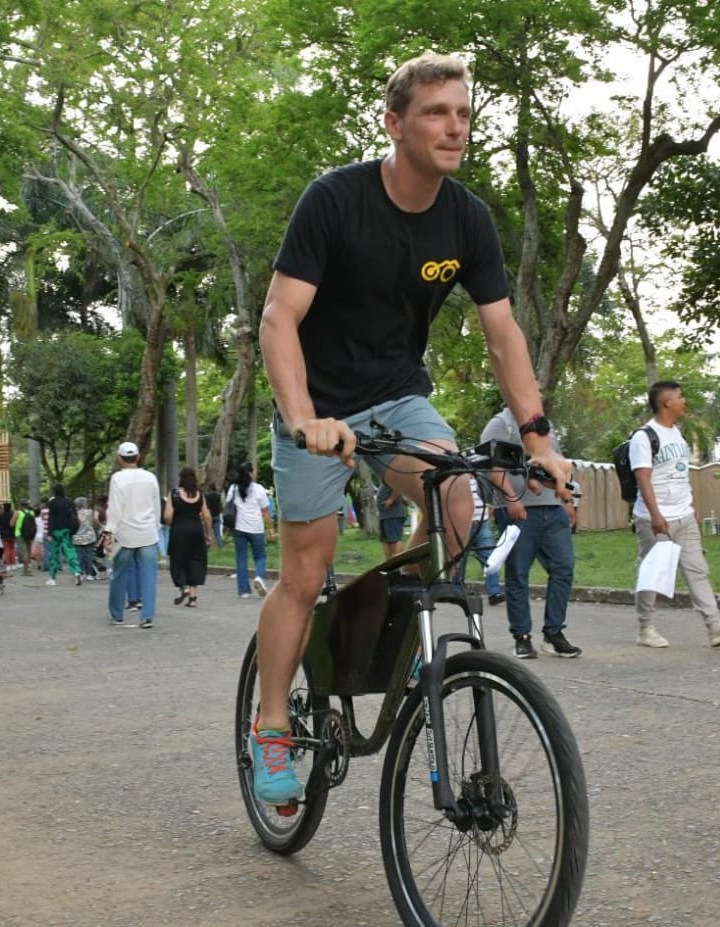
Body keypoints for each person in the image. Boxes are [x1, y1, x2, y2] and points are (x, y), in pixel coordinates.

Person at [251, 52, 569, 805]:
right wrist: (302, 417)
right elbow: (278, 317)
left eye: (462, 113)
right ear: (395, 123)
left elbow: (504, 336)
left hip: (398, 397)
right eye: (435, 112)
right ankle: (269, 728)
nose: (453, 126)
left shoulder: (468, 217)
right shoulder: (334, 200)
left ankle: (406, 644)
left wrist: (539, 441)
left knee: (458, 494)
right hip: (320, 403)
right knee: (304, 571)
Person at [630, 381, 720, 650]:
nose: (685, 401)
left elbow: (679, 473)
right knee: (653, 574)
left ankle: (715, 626)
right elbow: (643, 479)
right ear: (666, 402)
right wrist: (656, 515)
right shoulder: (643, 437)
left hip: (684, 516)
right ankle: (645, 628)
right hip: (655, 520)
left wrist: (690, 507)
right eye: (680, 397)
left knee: (698, 570)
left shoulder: (677, 434)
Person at [482, 409, 580, 657]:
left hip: (553, 508)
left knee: (563, 568)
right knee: (518, 573)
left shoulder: (544, 426)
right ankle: (522, 636)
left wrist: (568, 503)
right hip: (518, 509)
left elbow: (557, 462)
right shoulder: (500, 425)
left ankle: (554, 632)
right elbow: (493, 468)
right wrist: (512, 499)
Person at [104, 441, 160, 628]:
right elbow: (156, 506)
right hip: (148, 533)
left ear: (120, 458)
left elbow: (115, 508)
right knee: (149, 575)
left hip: (125, 534)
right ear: (138, 457)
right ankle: (147, 617)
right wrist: (155, 527)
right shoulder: (150, 477)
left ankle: (117, 615)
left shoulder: (117, 479)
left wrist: (109, 532)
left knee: (119, 575)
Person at [165, 466, 213, 608]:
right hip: (196, 531)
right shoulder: (199, 494)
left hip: (179, 530)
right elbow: (207, 516)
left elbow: (167, 516)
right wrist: (208, 534)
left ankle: (183, 587)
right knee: (195, 561)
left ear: (181, 479)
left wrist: (171, 524)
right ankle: (193, 598)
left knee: (178, 560)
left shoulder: (174, 494)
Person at [226, 462, 275, 599]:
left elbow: (228, 506)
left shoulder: (233, 488)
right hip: (256, 528)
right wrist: (270, 528)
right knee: (260, 556)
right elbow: (265, 510)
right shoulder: (258, 489)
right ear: (250, 473)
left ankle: (244, 591)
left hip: (239, 527)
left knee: (241, 558)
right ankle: (259, 576)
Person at [452, 478, 505, 606]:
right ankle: (456, 590)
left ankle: (494, 592)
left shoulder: (480, 477)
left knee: (489, 557)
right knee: (460, 558)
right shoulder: (456, 479)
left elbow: (489, 496)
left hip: (482, 522)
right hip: (463, 522)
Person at [46, 484, 82, 585]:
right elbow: (74, 516)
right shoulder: (70, 501)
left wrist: (49, 533)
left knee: (54, 554)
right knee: (70, 551)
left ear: (54, 491)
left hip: (56, 531)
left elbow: (51, 518)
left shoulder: (52, 503)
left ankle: (52, 578)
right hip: (67, 530)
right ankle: (76, 571)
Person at [376, 482, 408, 560]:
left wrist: (391, 500)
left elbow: (399, 485)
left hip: (393, 514)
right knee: (385, 540)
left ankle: (399, 564)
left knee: (394, 540)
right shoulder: (384, 477)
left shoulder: (390, 473)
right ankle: (389, 564)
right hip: (385, 515)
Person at [73, 496, 100, 581]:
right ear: (84, 504)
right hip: (89, 536)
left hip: (78, 536)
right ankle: (89, 574)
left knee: (79, 556)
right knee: (89, 556)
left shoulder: (74, 513)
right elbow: (95, 519)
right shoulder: (90, 512)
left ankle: (80, 574)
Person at [204, 483, 224, 549]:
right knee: (218, 534)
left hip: (209, 516)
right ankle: (221, 547)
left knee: (207, 533)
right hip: (217, 515)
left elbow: (206, 506)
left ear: (209, 488)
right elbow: (220, 506)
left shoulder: (207, 496)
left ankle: (207, 547)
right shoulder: (218, 495)